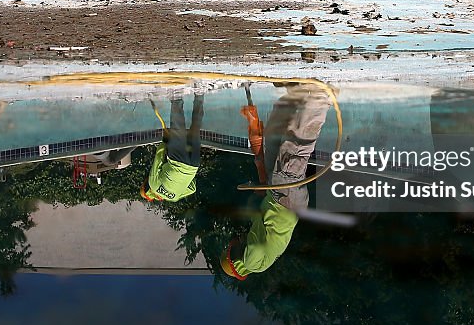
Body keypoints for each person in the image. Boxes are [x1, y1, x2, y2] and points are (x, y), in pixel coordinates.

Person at [221, 83, 332, 280]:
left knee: (272, 141)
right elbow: (256, 245)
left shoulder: (257, 259)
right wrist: (255, 214)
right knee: (293, 151)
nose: (236, 240)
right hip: (284, 203)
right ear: (233, 259)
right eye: (232, 246)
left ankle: (294, 95)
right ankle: (319, 99)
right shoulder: (250, 263)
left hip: (278, 199)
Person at [141, 94, 205, 202]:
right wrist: (165, 142)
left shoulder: (174, 198)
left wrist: (183, 178)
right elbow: (158, 158)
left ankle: (199, 95)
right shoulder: (153, 185)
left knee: (196, 126)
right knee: (177, 127)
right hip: (177, 161)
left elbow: (193, 188)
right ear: (146, 187)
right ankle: (176, 96)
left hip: (193, 166)